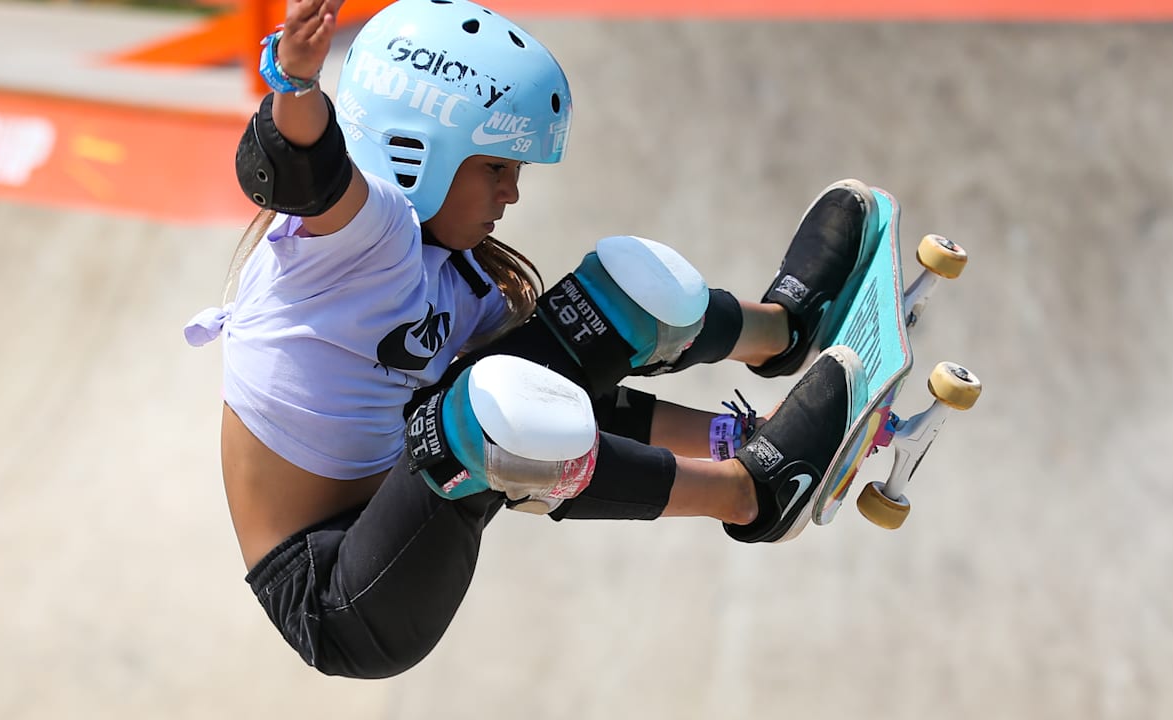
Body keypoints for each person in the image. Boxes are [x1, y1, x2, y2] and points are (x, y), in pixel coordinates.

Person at [185, 0, 876, 679]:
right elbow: (308, 168)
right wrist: (298, 84)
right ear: (417, 149)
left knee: (617, 303)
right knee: (490, 413)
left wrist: (746, 430)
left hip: (404, 497)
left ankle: (786, 331)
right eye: (496, 168)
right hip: (337, 600)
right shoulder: (360, 235)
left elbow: (576, 400)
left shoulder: (462, 282)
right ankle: (751, 494)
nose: (511, 194)